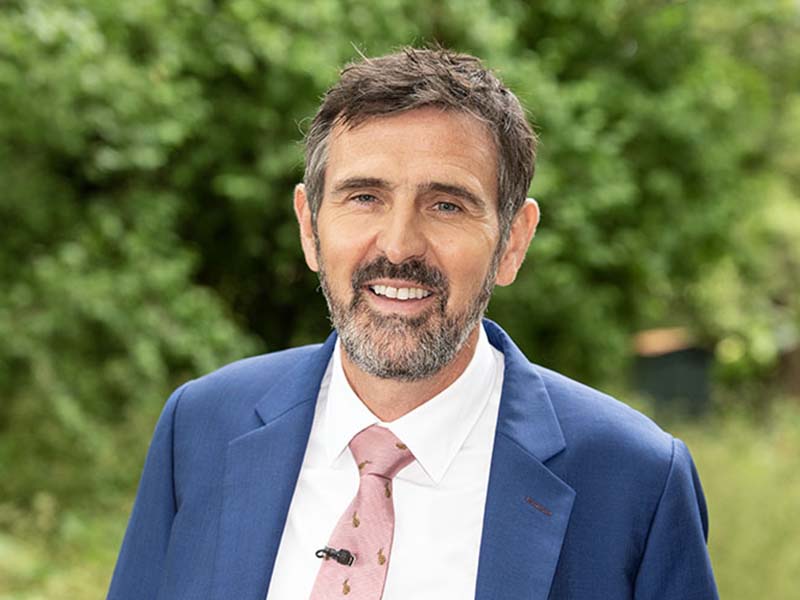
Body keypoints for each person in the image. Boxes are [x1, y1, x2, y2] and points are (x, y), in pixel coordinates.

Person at [107, 48, 718, 600]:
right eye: (364, 197)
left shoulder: (635, 480)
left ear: (513, 242)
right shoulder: (201, 427)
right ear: (309, 226)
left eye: (446, 205)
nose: (399, 245)